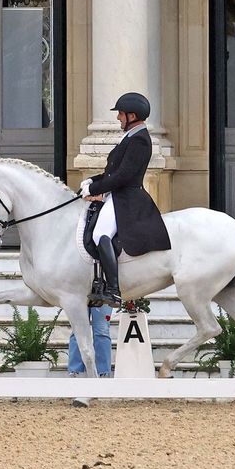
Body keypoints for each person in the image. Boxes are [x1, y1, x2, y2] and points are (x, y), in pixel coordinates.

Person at [79, 91, 161, 308]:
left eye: (121, 114)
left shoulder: (140, 140)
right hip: (117, 194)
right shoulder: (131, 137)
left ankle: (113, 290)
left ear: (132, 116)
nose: (118, 118)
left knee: (100, 233)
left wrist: (96, 187)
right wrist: (91, 180)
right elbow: (112, 172)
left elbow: (124, 176)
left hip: (127, 198)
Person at [66, 305, 113, 377]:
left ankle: (103, 372)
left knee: (102, 331)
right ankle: (75, 371)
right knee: (78, 331)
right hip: (78, 295)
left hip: (103, 295)